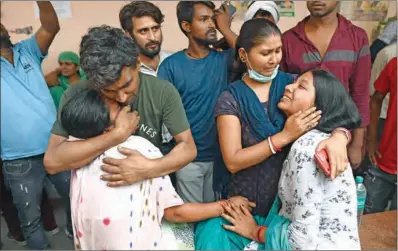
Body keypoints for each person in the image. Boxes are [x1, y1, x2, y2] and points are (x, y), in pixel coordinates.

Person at [195, 18, 351, 250]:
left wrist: (339, 137)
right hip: (245, 205)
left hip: (286, 214)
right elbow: (233, 161)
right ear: (244, 55)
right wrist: (284, 137)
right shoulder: (231, 99)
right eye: (265, 52)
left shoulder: (293, 86)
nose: (275, 59)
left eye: (278, 51)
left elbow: (338, 111)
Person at [60, 88, 255, 250]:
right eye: (118, 107)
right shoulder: (137, 149)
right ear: (107, 129)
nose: (125, 103)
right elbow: (174, 213)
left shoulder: (76, 151)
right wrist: (225, 206)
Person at [44, 26, 197, 197]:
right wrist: (116, 135)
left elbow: (188, 148)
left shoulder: (162, 91)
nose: (122, 98)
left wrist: (147, 169)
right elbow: (53, 161)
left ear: (137, 64)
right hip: (93, 199)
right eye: (108, 91)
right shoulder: (76, 93)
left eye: (126, 85)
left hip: (146, 197)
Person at [218, 69, 362, 250]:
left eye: (301, 86)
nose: (288, 87)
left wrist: (254, 231)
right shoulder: (317, 140)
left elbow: (300, 242)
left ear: (318, 106)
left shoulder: (306, 149)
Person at [1, 2, 73, 249]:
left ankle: (80, 239)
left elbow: (51, 26)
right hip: (17, 160)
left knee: (77, 202)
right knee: (30, 220)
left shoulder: (28, 50)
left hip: (57, 147)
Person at [157, 1, 240, 203]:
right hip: (189, 158)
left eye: (213, 19)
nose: (211, 25)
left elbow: (252, 55)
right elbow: (163, 115)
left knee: (213, 219)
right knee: (194, 220)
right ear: (187, 26)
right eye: (203, 20)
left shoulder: (223, 59)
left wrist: (225, 28)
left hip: (222, 157)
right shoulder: (171, 66)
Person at [281, 0, 371, 169]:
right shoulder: (288, 40)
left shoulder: (357, 37)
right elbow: (283, 91)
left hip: (343, 137)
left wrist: (357, 142)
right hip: (298, 137)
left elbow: (360, 92)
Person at [119, 1, 174, 154]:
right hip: (140, 149)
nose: (152, 37)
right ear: (128, 35)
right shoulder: (124, 72)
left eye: (155, 29)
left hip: (177, 145)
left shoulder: (174, 61)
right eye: (143, 31)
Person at [365, 56, 397, 214]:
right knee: (366, 222)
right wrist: (371, 138)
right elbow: (375, 100)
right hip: (383, 162)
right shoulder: (395, 64)